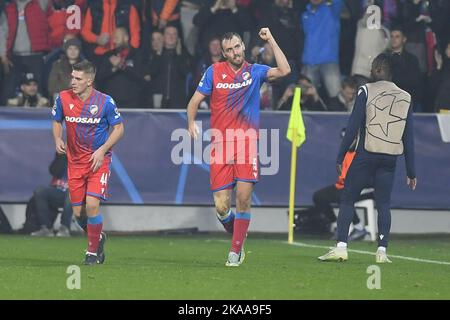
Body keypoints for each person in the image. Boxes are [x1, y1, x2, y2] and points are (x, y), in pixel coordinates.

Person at [186, 28, 290, 267]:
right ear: (224, 53)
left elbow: (285, 70)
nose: (235, 52)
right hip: (220, 145)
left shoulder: (255, 72)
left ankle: (235, 251)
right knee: (222, 207)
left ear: (243, 46)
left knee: (243, 197)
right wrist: (190, 123)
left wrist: (271, 39)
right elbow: (194, 101)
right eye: (229, 49)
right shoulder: (213, 72)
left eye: (237, 46)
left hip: (246, 144)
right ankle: (238, 237)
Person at [318, 53, 417, 264]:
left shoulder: (366, 90)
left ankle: (342, 247)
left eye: (373, 67)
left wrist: (341, 154)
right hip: (390, 159)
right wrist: (411, 171)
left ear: (379, 69)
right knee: (383, 204)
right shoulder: (406, 97)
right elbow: (408, 137)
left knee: (348, 198)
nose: (370, 71)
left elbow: (353, 126)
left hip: (366, 154)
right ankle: (382, 252)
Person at [52, 60, 124, 265]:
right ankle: (98, 237)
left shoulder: (105, 102)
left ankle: (92, 252)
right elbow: (57, 120)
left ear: (89, 81)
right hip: (74, 163)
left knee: (92, 205)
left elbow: (119, 129)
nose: (72, 81)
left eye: (78, 78)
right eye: (72, 77)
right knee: (78, 214)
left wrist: (102, 150)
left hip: (97, 161)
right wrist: (57, 138)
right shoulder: (64, 98)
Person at [312, 130, 372, 241]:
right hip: (343, 186)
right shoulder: (345, 154)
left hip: (365, 188)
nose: (348, 143)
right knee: (318, 197)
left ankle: (359, 228)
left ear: (357, 139)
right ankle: (336, 226)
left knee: (344, 196)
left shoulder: (363, 153)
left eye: (350, 140)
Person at [30, 153, 72, 237]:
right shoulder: (62, 156)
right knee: (40, 191)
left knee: (71, 192)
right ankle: (46, 228)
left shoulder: (84, 156)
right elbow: (53, 171)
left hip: (75, 193)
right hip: (58, 192)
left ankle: (64, 228)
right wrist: (63, 156)